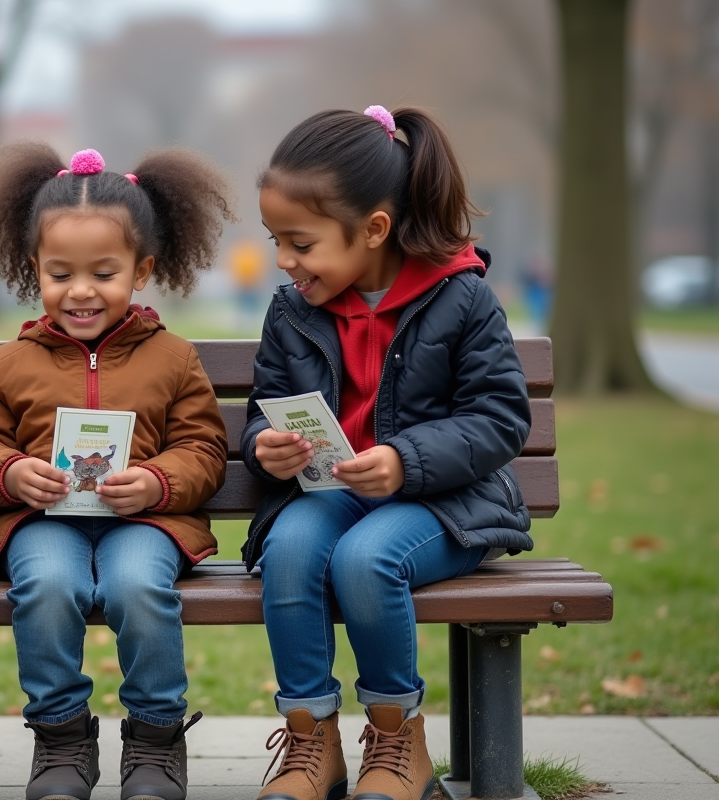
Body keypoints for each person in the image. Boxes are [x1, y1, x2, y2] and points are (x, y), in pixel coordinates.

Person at [241, 106, 533, 800]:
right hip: (333, 492)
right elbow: (262, 410)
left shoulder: (462, 299)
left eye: (301, 243)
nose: (284, 260)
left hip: (446, 502)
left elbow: (498, 418)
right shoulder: (291, 312)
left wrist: (405, 459)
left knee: (366, 560)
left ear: (373, 229)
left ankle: (398, 737)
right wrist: (265, 447)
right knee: (288, 550)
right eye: (275, 240)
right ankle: (312, 742)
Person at [0, 145, 234, 800]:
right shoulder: (9, 362)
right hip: (41, 521)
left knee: (139, 587)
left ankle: (156, 738)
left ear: (142, 271)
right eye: (60, 273)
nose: (80, 291)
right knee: (48, 585)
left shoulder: (173, 357)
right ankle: (60, 737)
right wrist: (13, 474)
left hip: (147, 523)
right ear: (35, 271)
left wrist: (157, 481)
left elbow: (202, 448)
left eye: (103, 273)